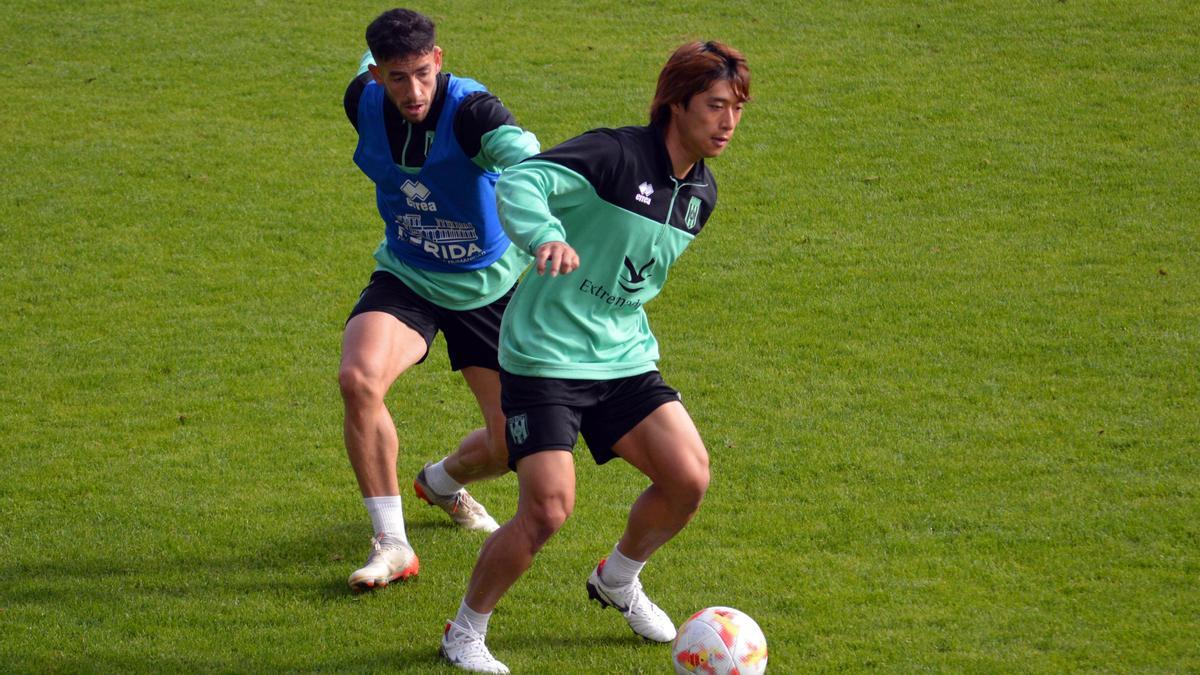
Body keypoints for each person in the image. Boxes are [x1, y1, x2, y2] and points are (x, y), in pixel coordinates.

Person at [438, 41, 751, 673]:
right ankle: (464, 631)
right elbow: (525, 179)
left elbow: (631, 280)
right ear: (676, 104)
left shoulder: (700, 195)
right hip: (544, 358)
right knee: (548, 510)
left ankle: (617, 578)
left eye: (737, 109)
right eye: (716, 106)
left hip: (622, 357)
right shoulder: (614, 154)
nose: (728, 123)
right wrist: (546, 234)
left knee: (688, 478)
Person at [338, 8, 540, 592]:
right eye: (398, 78)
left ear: (440, 61)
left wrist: (549, 227)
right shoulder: (362, 99)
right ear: (377, 75)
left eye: (424, 73)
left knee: (509, 446)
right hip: (408, 275)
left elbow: (533, 164)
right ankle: (393, 542)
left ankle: (443, 483)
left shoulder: (476, 112)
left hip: (489, 287)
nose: (414, 90)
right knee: (358, 379)